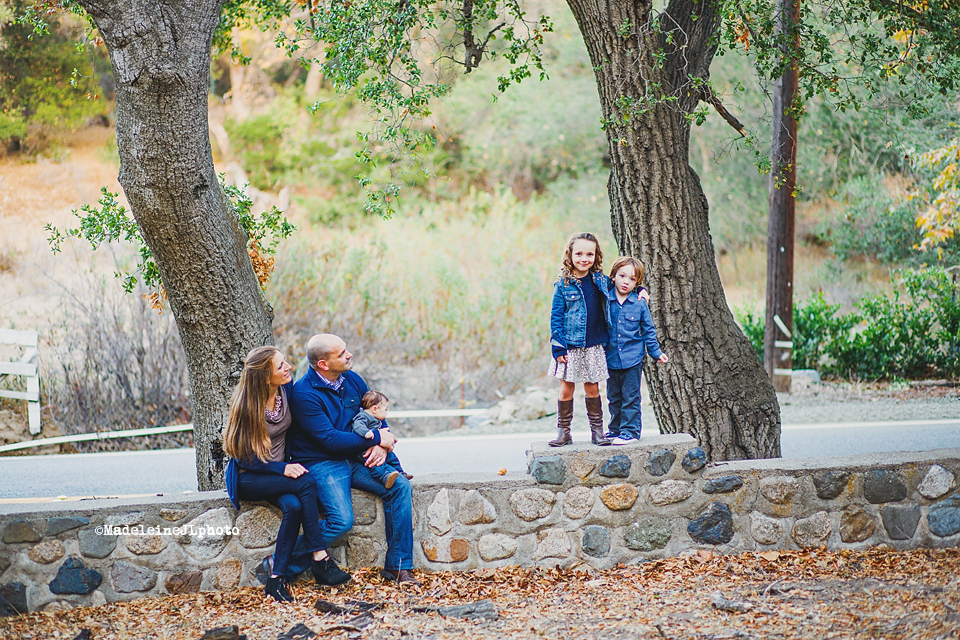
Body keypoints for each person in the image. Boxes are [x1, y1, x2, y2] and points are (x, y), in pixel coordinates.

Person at [287, 334, 419, 584]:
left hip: (356, 456)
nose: (349, 355)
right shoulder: (304, 394)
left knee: (400, 486)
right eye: (341, 353)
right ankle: (281, 563)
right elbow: (330, 440)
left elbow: (375, 415)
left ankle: (398, 566)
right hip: (322, 461)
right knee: (341, 521)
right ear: (323, 364)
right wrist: (376, 439)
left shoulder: (353, 380)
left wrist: (382, 444)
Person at [223, 346, 351, 603]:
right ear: (264, 377)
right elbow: (241, 456)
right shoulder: (247, 406)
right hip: (251, 476)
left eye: (285, 362)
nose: (288, 367)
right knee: (306, 483)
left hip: (278, 476)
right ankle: (319, 558)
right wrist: (282, 468)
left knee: (293, 506)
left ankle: (276, 579)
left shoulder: (286, 390)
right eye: (280, 366)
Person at [548, 232, 648, 447]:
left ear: (596, 256)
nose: (584, 259)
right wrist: (558, 346)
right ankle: (564, 432)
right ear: (570, 255)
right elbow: (556, 316)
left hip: (594, 345)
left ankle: (598, 432)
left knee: (592, 388)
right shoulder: (563, 284)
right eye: (579, 254)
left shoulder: (600, 280)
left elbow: (623, 285)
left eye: (589, 254)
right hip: (569, 345)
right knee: (566, 389)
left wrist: (641, 289)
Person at [602, 256, 669, 444]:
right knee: (614, 397)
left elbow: (648, 330)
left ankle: (630, 432)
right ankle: (615, 429)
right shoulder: (605, 299)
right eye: (622, 276)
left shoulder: (639, 303)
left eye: (632, 279)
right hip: (610, 358)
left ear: (637, 283)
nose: (626, 282)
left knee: (630, 397)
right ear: (613, 276)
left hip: (632, 359)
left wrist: (656, 352)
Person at [351, 390, 412, 488]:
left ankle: (400, 472)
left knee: (392, 458)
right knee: (376, 463)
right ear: (375, 409)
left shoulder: (376, 419)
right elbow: (357, 426)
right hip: (364, 450)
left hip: (376, 445)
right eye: (385, 410)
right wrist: (366, 433)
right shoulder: (363, 416)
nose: (386, 413)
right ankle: (384, 477)